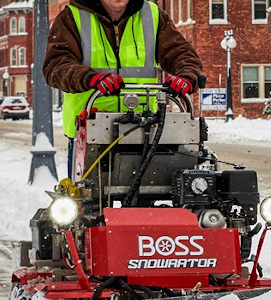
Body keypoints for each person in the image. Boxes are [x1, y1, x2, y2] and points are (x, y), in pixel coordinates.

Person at [43, 0, 203, 176]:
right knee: (88, 196)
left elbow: (180, 53)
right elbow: (56, 65)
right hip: (90, 131)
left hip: (144, 128)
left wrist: (187, 75)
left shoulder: (152, 15)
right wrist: (90, 78)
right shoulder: (72, 17)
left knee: (150, 195)